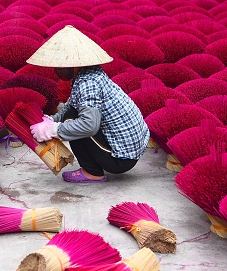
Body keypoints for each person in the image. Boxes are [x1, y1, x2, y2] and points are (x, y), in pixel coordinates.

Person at [26, 25, 150, 183]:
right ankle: (93, 167)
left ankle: (92, 172)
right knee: (71, 114)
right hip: (129, 150)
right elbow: (71, 105)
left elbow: (90, 125)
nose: (59, 68)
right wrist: (51, 120)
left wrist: (53, 129)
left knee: (73, 121)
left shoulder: (88, 83)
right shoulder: (88, 74)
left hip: (121, 159)